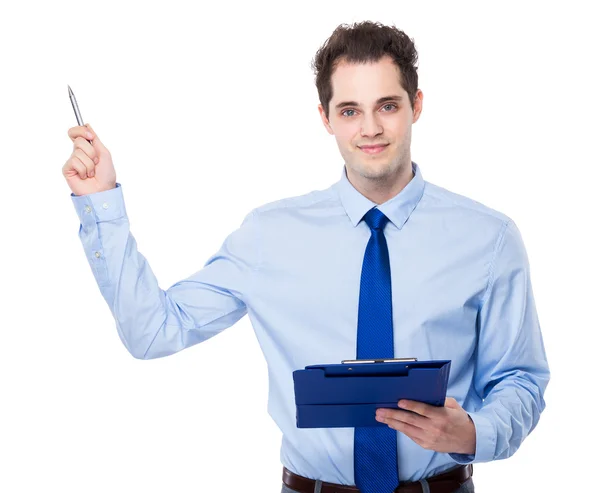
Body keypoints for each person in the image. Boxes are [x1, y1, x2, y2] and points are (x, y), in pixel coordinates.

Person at [63, 20, 550, 493]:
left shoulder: (489, 238)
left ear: (416, 106)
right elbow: (153, 331)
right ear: (325, 117)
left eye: (387, 105)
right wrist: (101, 205)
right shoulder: (269, 236)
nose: (371, 128)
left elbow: (520, 380)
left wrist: (472, 433)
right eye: (350, 110)